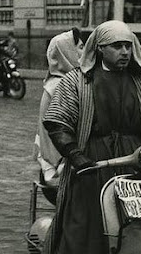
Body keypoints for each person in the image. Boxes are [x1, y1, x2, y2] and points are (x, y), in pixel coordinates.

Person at [43, 20, 141, 254]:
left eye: (128, 46)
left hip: (137, 164)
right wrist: (76, 155)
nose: (124, 52)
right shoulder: (78, 81)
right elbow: (58, 122)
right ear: (100, 48)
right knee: (89, 221)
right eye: (117, 46)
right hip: (94, 166)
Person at [34, 28, 82, 187]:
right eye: (80, 48)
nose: (84, 52)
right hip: (64, 163)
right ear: (66, 52)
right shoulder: (62, 85)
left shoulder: (57, 81)